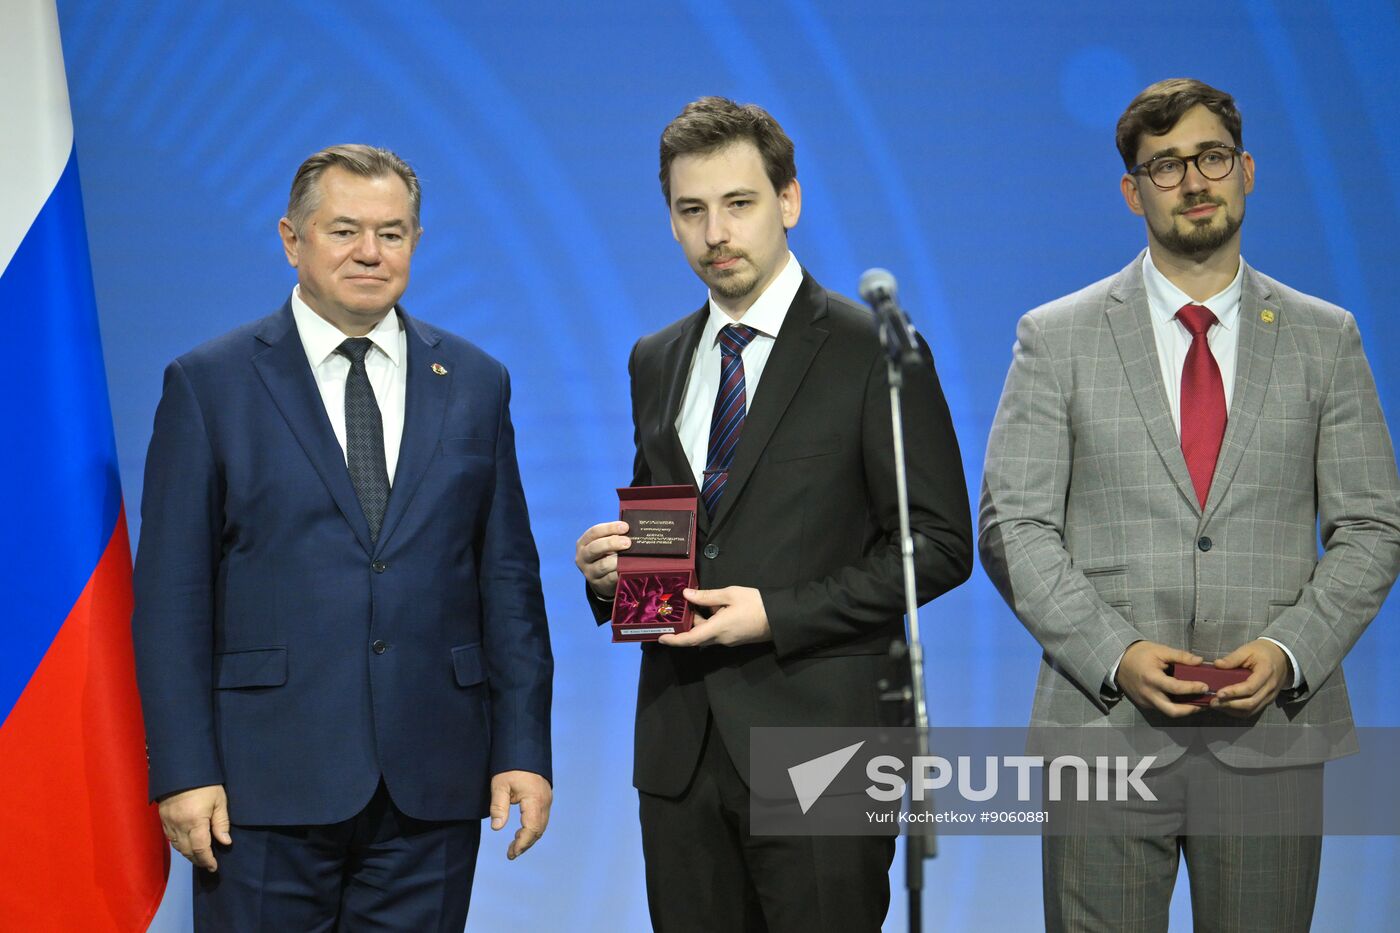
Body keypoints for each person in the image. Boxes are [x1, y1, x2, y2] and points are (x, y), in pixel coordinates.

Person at [980, 78, 1400, 932]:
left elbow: (1372, 525)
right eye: (1165, 166)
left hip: (1272, 734)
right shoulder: (1055, 337)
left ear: (1247, 171)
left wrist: (1290, 649)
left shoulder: (1327, 338)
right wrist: (1117, 653)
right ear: (1132, 192)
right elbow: (1013, 525)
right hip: (1104, 732)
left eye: (1211, 157)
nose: (1194, 181)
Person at [574, 97, 972, 930]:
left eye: (739, 203)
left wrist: (775, 614)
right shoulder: (655, 358)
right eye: (691, 210)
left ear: (788, 201)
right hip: (681, 755)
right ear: (671, 220)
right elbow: (675, 529)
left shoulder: (875, 351)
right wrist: (614, 578)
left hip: (825, 748)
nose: (716, 232)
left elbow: (938, 544)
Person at [131, 144, 553, 931]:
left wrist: (523, 747)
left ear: (416, 242)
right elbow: (170, 598)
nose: (370, 252)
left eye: (391, 233)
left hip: (432, 784)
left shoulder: (475, 380)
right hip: (260, 789)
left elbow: (507, 584)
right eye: (344, 230)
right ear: (292, 240)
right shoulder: (210, 383)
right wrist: (183, 769)